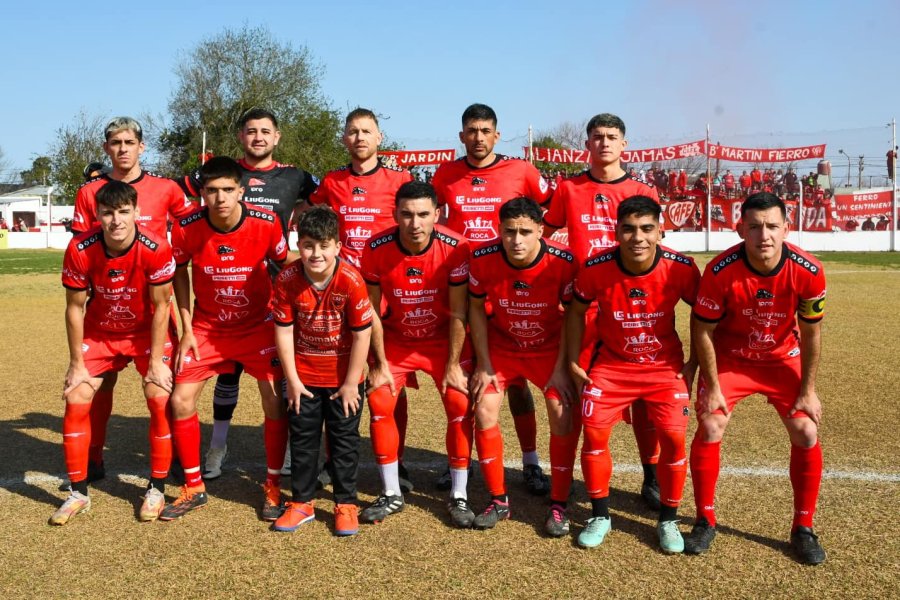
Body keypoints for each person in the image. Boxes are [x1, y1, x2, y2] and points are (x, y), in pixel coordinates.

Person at [176, 108, 318, 480]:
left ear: (277, 137)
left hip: (270, 295)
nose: (258, 137)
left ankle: (283, 453)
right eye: (251, 131)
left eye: (265, 131)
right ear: (241, 136)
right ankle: (216, 448)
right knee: (227, 377)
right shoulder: (222, 175)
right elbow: (178, 197)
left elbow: (321, 207)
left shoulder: (295, 177)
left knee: (278, 382)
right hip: (218, 301)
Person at [686, 192, 827, 565]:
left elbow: (811, 333)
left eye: (771, 226)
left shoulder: (808, 270)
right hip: (732, 360)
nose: (763, 235)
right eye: (754, 226)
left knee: (806, 431)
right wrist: (712, 386)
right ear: (739, 229)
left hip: (782, 359)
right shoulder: (720, 271)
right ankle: (705, 519)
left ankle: (803, 527)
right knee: (712, 423)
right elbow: (701, 330)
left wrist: (808, 391)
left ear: (786, 228)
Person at [542, 112, 665, 512]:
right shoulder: (569, 188)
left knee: (645, 398)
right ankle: (575, 481)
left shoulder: (643, 190)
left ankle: (652, 475)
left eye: (612, 136)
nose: (605, 143)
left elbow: (654, 249)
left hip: (630, 307)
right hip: (582, 307)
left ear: (624, 144)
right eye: (597, 136)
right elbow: (545, 232)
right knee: (576, 394)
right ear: (587, 144)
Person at [430, 104, 553, 494]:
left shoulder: (522, 171)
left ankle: (531, 462)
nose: (478, 137)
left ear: (497, 135)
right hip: (462, 287)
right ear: (461, 135)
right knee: (470, 380)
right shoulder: (445, 174)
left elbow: (547, 212)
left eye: (485, 130)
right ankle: (460, 463)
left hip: (508, 288)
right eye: (471, 130)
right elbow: (431, 215)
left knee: (517, 384)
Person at [566, 196, 700, 552]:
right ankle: (600, 515)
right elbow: (575, 311)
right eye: (628, 229)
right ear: (616, 232)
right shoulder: (596, 267)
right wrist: (573, 361)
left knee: (673, 438)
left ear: (660, 231)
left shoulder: (681, 268)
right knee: (593, 434)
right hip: (611, 367)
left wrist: (694, 362)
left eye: (646, 229)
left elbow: (705, 316)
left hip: (664, 368)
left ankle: (669, 520)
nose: (637, 237)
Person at [159, 157, 289, 522]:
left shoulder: (267, 223)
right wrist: (186, 329)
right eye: (211, 191)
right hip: (206, 329)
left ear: (241, 191)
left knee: (275, 401)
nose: (220, 198)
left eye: (227, 190)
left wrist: (284, 319)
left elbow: (285, 268)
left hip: (257, 327)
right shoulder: (186, 226)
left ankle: (273, 486)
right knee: (180, 400)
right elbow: (178, 275)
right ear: (202, 194)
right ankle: (193, 487)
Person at [69, 117, 193, 485]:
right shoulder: (89, 193)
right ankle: (93, 458)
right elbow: (83, 250)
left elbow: (192, 225)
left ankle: (171, 458)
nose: (122, 148)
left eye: (129, 141)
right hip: (107, 309)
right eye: (115, 142)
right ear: (106, 148)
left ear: (142, 146)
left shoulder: (166, 188)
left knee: (162, 386)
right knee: (99, 384)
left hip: (154, 307)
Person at [50, 181, 176, 525]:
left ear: (136, 212)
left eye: (123, 212)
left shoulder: (156, 246)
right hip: (101, 332)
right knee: (76, 396)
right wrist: (77, 364)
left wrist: (154, 363)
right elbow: (74, 308)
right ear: (97, 215)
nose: (116, 220)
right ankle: (78, 492)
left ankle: (157, 487)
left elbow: (162, 306)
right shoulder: (80, 247)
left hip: (143, 333)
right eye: (108, 213)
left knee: (159, 395)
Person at [308, 108, 415, 491]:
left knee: (388, 382)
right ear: (344, 138)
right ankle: (331, 459)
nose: (359, 138)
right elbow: (312, 219)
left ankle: (397, 460)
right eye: (353, 131)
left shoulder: (400, 179)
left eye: (366, 131)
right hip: (339, 293)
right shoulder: (332, 182)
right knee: (335, 378)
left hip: (387, 294)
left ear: (379, 137)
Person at [359, 181, 475, 528]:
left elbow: (458, 313)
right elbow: (372, 311)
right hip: (397, 339)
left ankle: (459, 494)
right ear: (395, 215)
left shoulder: (457, 247)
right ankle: (392, 492)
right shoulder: (375, 246)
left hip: (443, 340)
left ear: (437, 215)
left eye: (424, 214)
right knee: (380, 400)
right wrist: (379, 364)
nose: (415, 223)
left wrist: (453, 365)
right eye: (407, 215)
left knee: (458, 402)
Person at [467, 197, 577, 531]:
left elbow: (573, 315)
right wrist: (484, 363)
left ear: (541, 231)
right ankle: (498, 500)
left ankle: (558, 503)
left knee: (561, 411)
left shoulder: (564, 261)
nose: (517, 240)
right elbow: (475, 309)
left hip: (548, 350)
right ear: (499, 230)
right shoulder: (482, 257)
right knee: (484, 409)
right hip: (503, 347)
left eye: (526, 232)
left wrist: (562, 367)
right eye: (510, 231)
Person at [271, 206, 373, 536]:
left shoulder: (351, 279)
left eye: (324, 245)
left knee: (344, 443)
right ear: (299, 244)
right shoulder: (287, 279)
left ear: (338, 246)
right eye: (309, 245)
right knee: (303, 440)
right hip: (305, 377)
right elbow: (284, 331)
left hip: (344, 379)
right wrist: (293, 380)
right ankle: (301, 503)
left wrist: (350, 384)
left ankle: (345, 504)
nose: (316, 253)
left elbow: (363, 334)